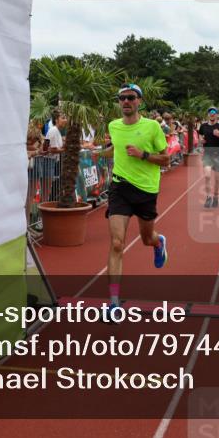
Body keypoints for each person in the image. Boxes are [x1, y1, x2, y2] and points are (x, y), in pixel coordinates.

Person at [96, 83, 170, 320]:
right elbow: (116, 150)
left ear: (140, 101)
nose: (126, 102)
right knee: (117, 243)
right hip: (120, 189)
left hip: (146, 190)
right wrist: (97, 154)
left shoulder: (152, 127)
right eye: (122, 98)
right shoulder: (113, 126)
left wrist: (143, 155)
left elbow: (167, 160)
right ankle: (114, 303)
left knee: (147, 238)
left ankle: (159, 243)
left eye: (131, 98)